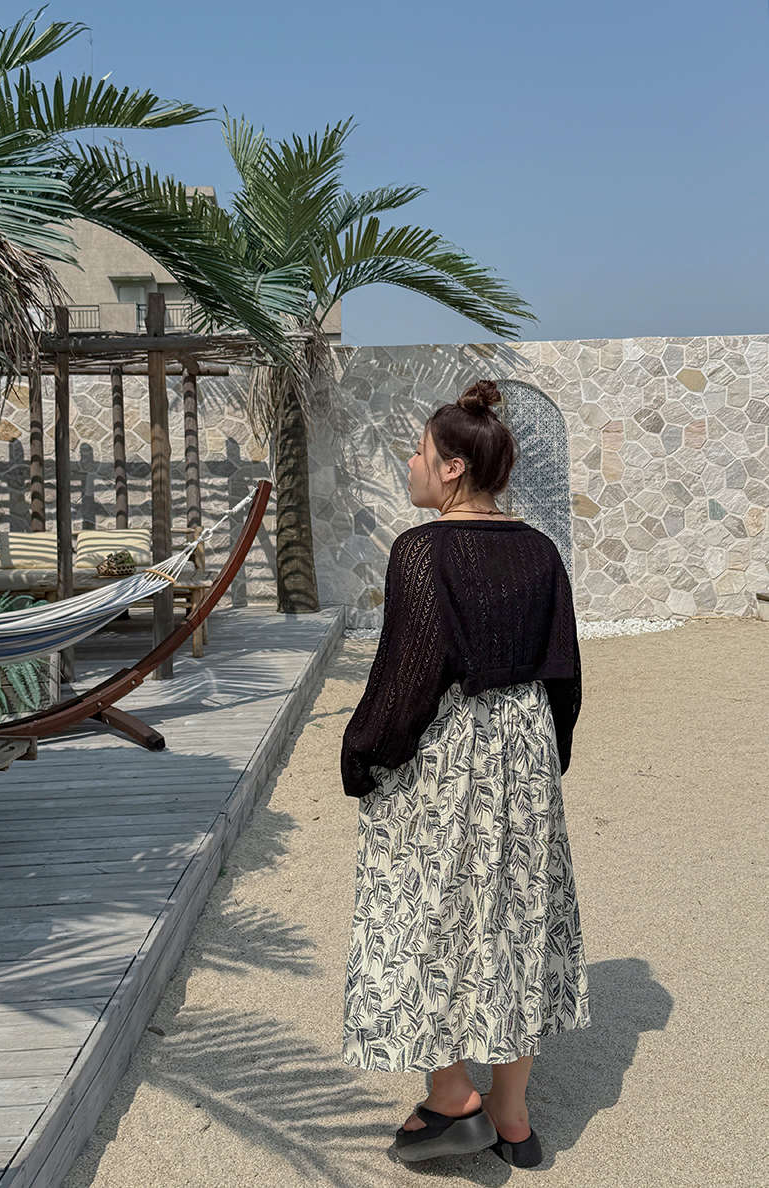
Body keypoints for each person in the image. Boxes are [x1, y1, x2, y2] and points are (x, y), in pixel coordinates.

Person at [340, 379, 589, 1167]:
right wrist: (548, 760)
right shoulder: (541, 550)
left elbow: (409, 676)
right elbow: (564, 671)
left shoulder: (423, 551)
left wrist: (365, 753)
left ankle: (453, 1097)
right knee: (516, 914)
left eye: (418, 453)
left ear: (452, 468)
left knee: (429, 906)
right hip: (525, 747)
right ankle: (514, 1119)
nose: (410, 464)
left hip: (450, 751)